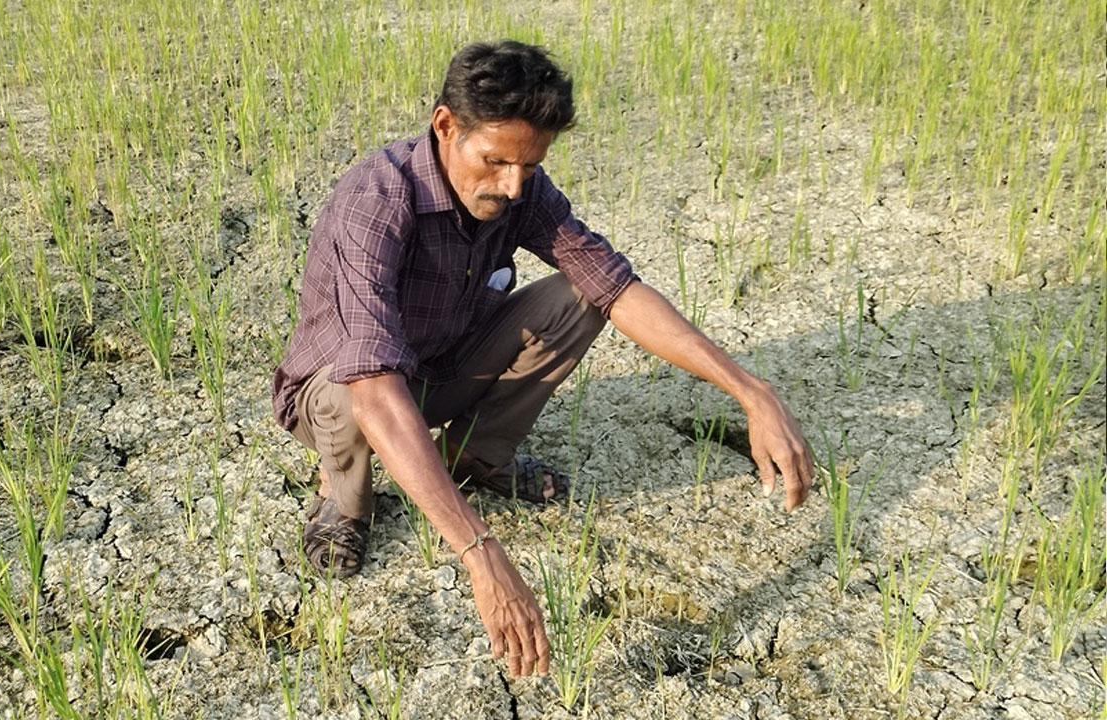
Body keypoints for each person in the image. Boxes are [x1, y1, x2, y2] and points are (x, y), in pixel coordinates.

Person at [271, 40, 815, 678]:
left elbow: (615, 287)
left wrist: (753, 392)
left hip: (443, 366)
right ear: (446, 126)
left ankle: (471, 460)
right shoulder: (379, 196)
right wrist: (480, 551)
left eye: (528, 166)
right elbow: (373, 383)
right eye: (496, 160)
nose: (510, 186)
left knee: (578, 297)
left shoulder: (522, 187)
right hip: (340, 392)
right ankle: (345, 498)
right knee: (356, 388)